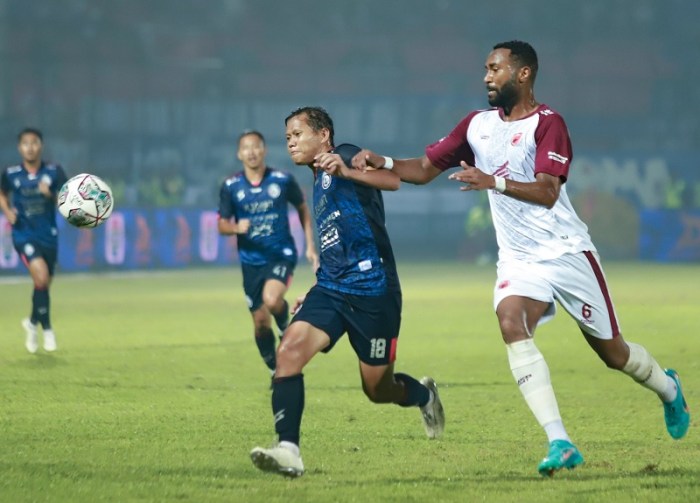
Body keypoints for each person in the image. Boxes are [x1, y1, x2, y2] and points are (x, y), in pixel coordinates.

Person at [352, 41, 690, 477]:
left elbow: (548, 192)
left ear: (523, 74)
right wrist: (382, 160)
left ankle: (668, 389)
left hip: (567, 252)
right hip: (519, 259)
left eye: (495, 69)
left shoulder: (548, 124)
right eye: (485, 69)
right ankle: (560, 440)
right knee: (511, 321)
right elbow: (421, 168)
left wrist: (494, 182)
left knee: (614, 354)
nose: (487, 77)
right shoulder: (476, 125)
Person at [249, 106, 445, 478]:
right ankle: (289, 450)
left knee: (377, 388)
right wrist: (317, 288)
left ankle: (423, 395)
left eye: (297, 134)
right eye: (287, 137)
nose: (290, 142)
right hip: (333, 289)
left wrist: (348, 169)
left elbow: (393, 182)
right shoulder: (318, 182)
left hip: (375, 291)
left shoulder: (344, 154)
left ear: (324, 135)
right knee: (289, 351)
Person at [218, 130, 318, 382]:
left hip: (280, 254)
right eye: (246, 148)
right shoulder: (231, 187)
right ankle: (277, 370)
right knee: (261, 323)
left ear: (264, 150)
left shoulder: (282, 180)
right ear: (239, 154)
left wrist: (309, 245)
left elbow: (303, 208)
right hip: (251, 262)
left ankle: (286, 327)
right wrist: (234, 228)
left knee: (272, 300)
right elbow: (221, 225)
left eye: (256, 147)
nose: (251, 152)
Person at [0, 128, 68, 353]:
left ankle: (31, 323)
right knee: (41, 275)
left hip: (48, 235)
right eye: (25, 143)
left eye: (34, 142)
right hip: (23, 234)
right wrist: (7, 211)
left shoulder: (54, 171)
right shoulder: (10, 173)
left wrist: (51, 195)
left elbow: (68, 201)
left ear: (41, 145)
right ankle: (47, 330)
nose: (30, 147)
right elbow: (2, 192)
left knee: (43, 284)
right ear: (20, 148)